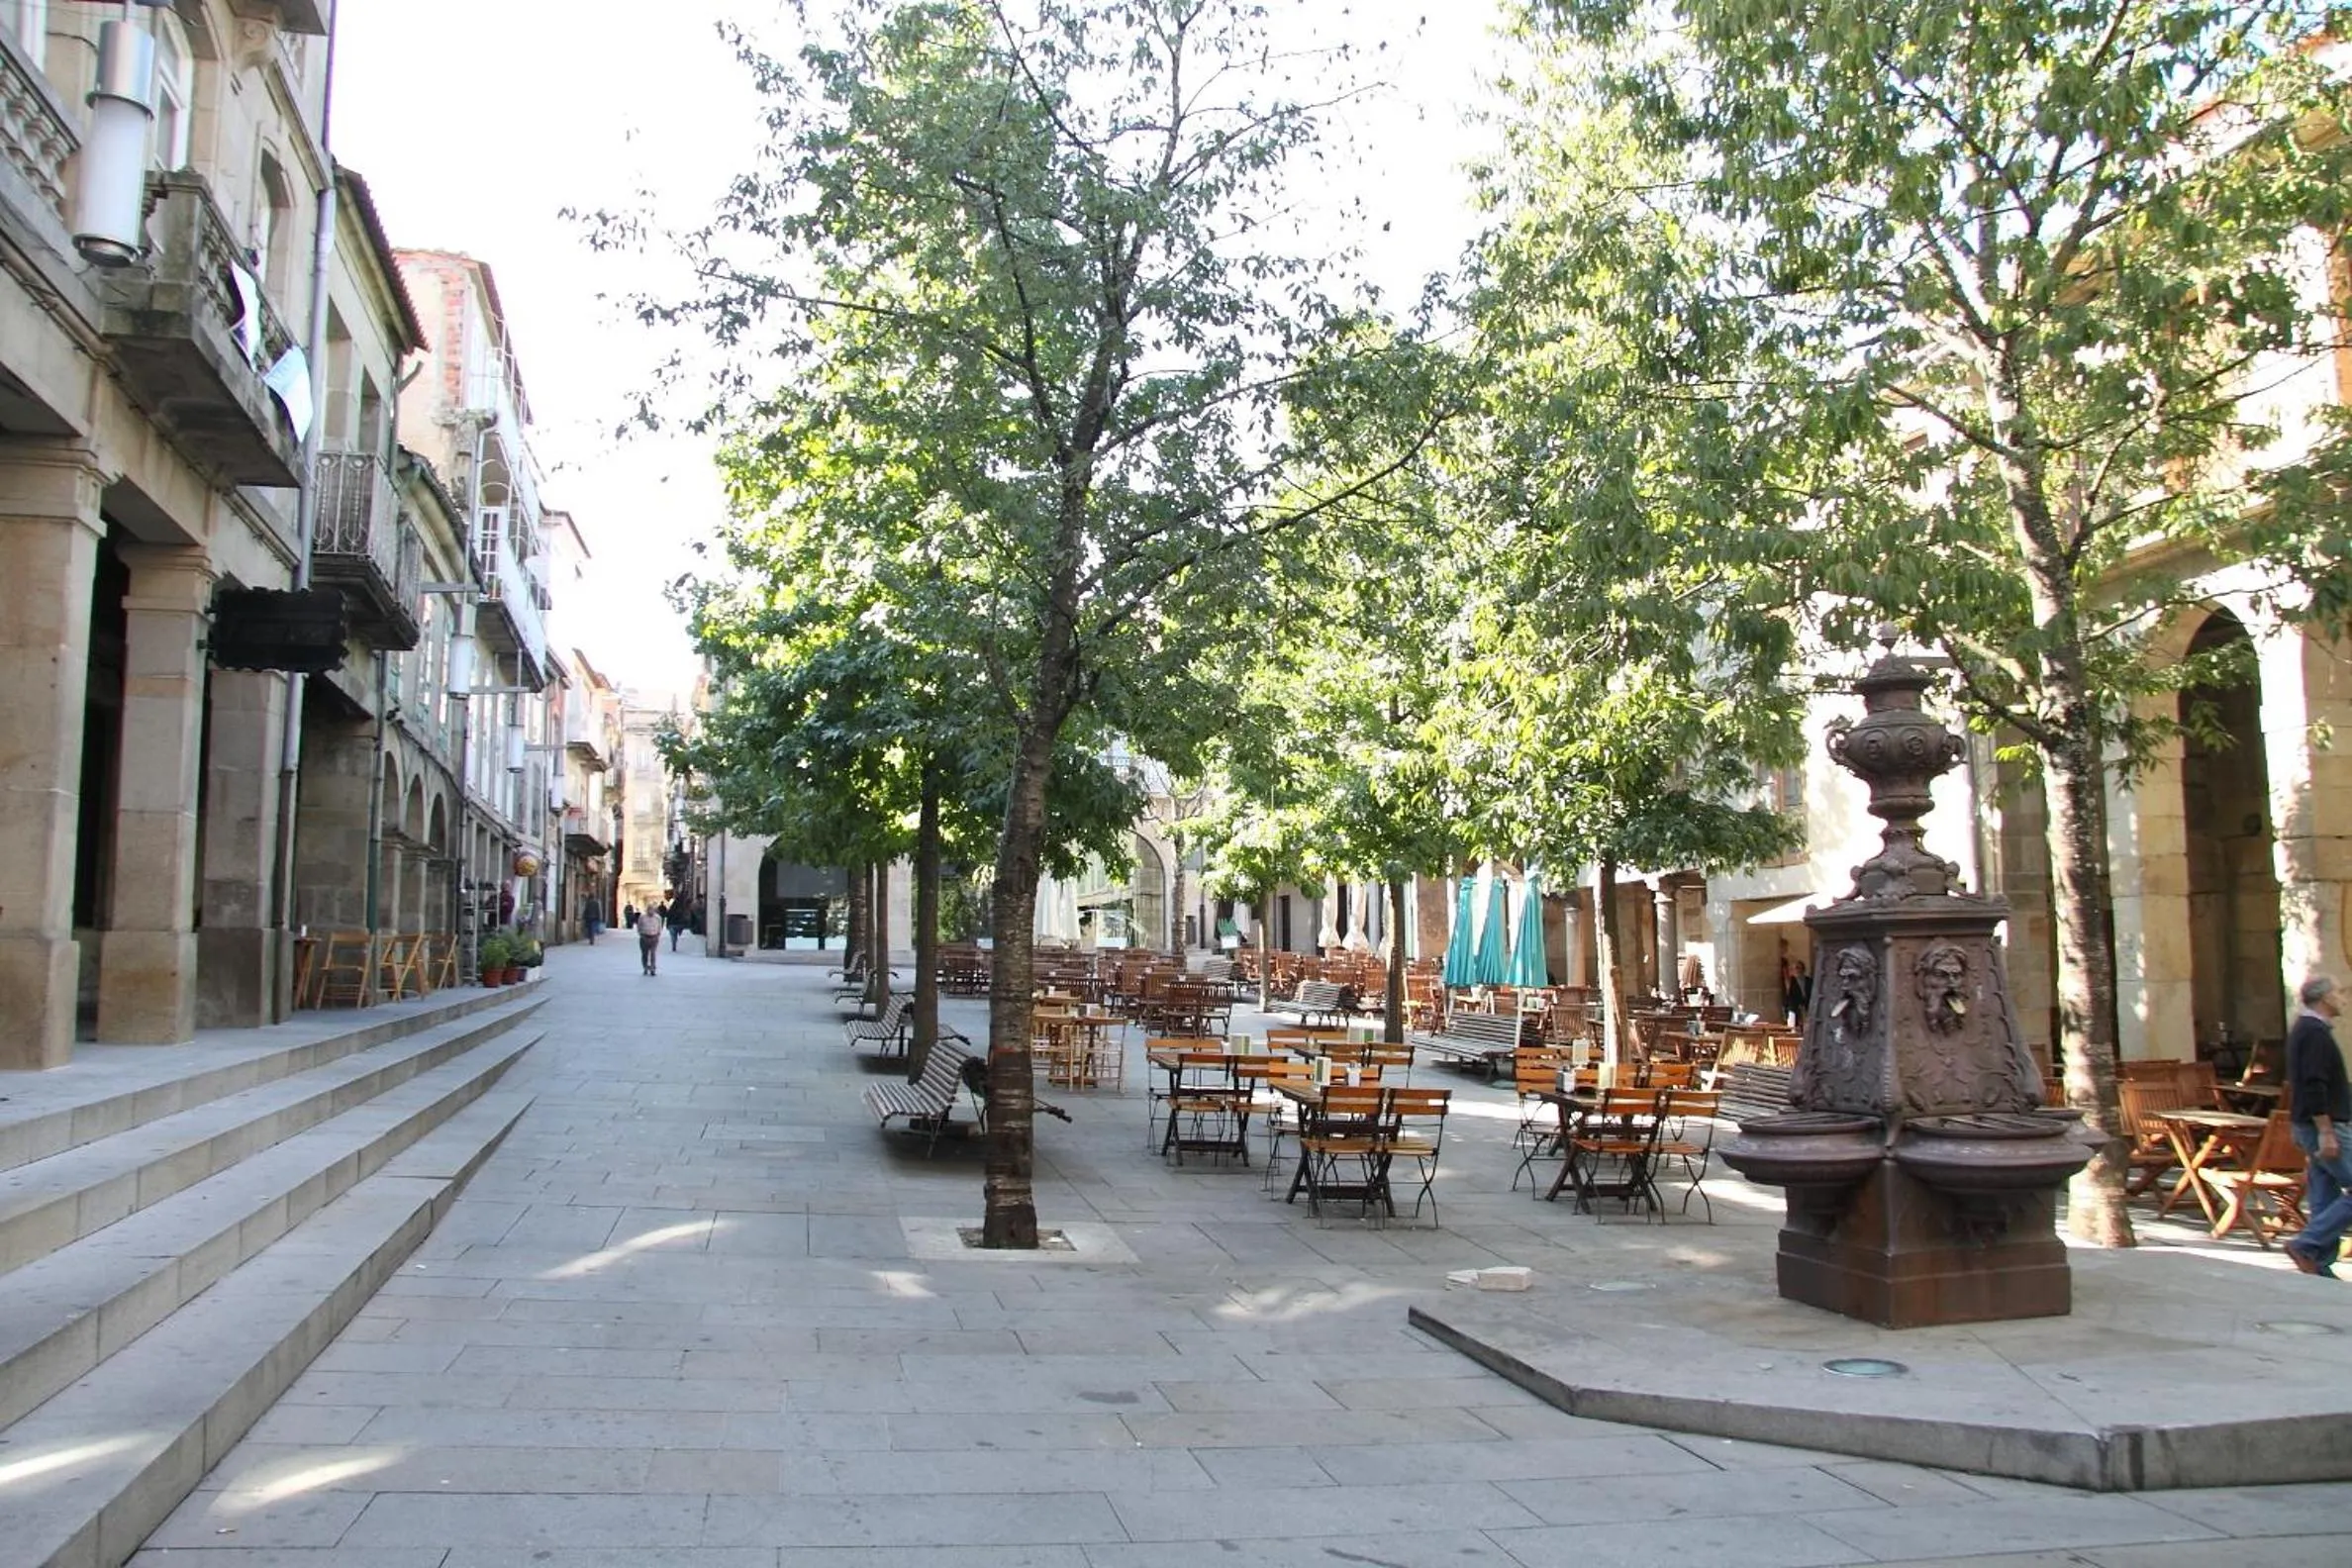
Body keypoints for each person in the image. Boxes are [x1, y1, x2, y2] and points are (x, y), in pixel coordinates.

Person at [2286, 974, 2352, 1278]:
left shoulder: (2309, 1029)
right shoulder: (2314, 1033)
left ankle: (2319, 1264)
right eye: (2339, 992)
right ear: (2324, 998)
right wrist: (2325, 1130)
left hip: (2313, 1125)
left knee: (2324, 1191)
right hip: (2323, 1126)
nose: (2343, 997)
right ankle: (2307, 1244)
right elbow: (2314, 1083)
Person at [637, 903, 664, 976]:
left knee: (653, 953)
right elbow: (639, 927)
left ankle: (652, 968)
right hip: (644, 937)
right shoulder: (642, 917)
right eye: (649, 910)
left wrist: (658, 935)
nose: (651, 911)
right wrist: (641, 935)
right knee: (644, 954)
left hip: (654, 937)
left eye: (652, 910)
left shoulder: (658, 918)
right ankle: (645, 967)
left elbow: (660, 927)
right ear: (647, 910)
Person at [1783, 960, 1812, 1029]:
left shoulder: (1809, 981)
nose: (1797, 970)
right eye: (1795, 968)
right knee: (1792, 1028)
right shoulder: (1791, 981)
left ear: (1803, 969)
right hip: (1794, 1007)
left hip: (1806, 1007)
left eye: (1799, 968)